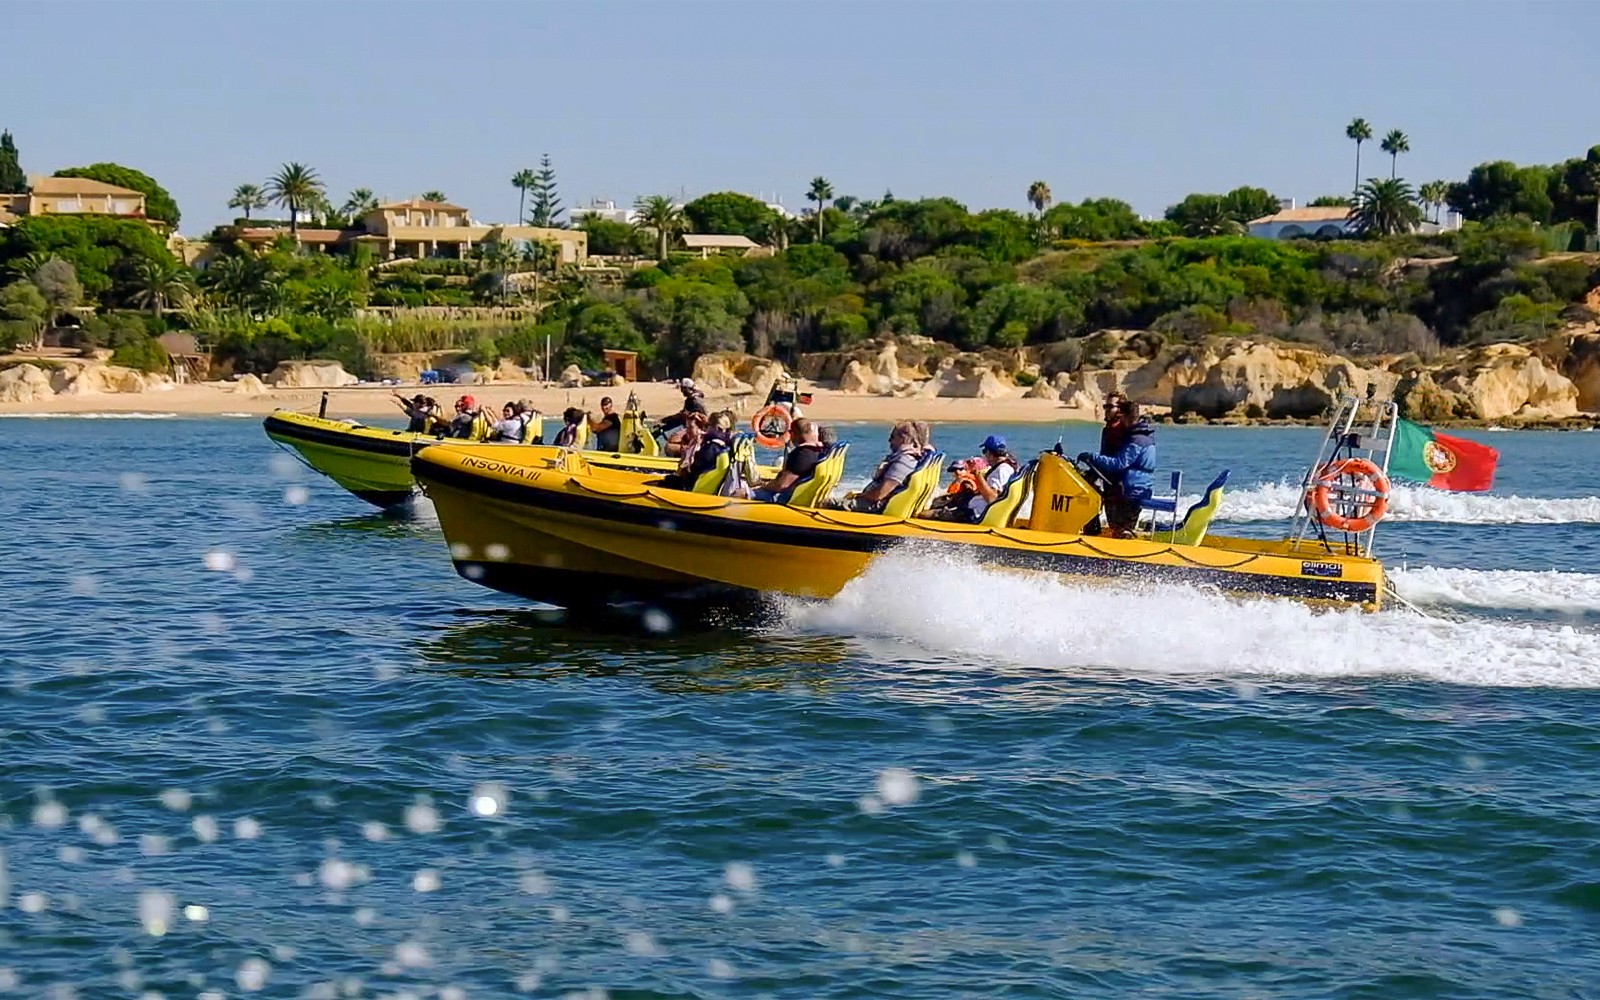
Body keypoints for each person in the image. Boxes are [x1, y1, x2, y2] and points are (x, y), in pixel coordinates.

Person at [1079, 399, 1156, 538]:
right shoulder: (1142, 436)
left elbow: (1119, 463)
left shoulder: (1136, 440)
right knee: (1119, 526)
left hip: (1132, 491)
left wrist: (1093, 457)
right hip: (1136, 488)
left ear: (1126, 417)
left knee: (1121, 529)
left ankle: (1123, 548)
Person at [824, 421, 920, 514]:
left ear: (903, 439)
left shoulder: (903, 461)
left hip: (873, 506)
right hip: (872, 502)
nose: (889, 441)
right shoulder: (904, 457)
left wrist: (860, 495)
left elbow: (879, 494)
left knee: (827, 503)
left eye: (892, 437)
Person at [924, 434, 1020, 523]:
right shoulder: (1006, 467)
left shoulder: (1002, 470)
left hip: (975, 514)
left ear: (990, 453)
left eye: (984, 452)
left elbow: (992, 499)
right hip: (975, 508)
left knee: (926, 515)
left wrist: (976, 473)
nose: (984, 456)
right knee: (944, 501)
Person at [751, 417, 825, 503]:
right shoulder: (821, 450)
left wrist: (763, 486)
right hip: (806, 495)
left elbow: (782, 485)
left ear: (792, 434)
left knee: (742, 493)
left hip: (786, 499)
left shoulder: (801, 455)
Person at [658, 378, 708, 456]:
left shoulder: (694, 401)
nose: (682, 391)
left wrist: (667, 420)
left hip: (693, 426)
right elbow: (683, 414)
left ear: (688, 388)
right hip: (687, 424)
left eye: (683, 389)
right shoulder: (692, 399)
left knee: (670, 435)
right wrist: (667, 419)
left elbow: (684, 415)